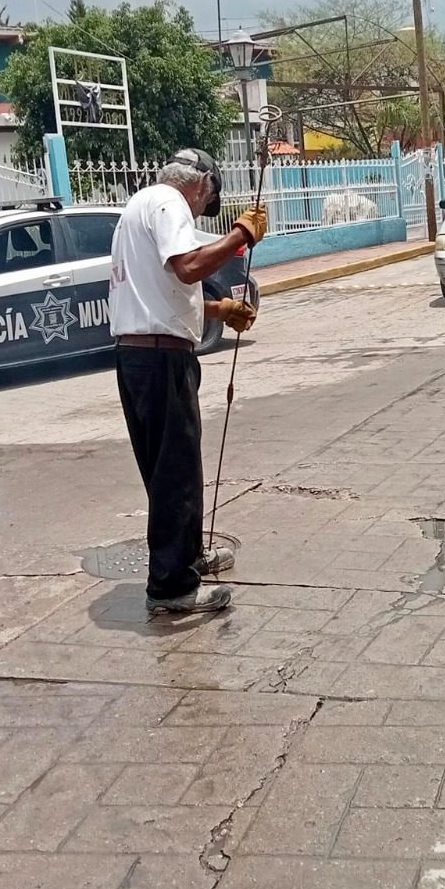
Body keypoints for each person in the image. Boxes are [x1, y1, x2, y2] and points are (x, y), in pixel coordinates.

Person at [109, 149, 266, 615]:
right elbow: (189, 267)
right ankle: (172, 586)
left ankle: (187, 557)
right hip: (160, 360)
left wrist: (219, 310)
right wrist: (241, 234)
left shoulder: (139, 206)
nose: (199, 212)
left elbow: (163, 292)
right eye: (205, 203)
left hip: (140, 356)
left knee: (170, 469)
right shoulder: (169, 202)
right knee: (175, 473)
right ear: (201, 185)